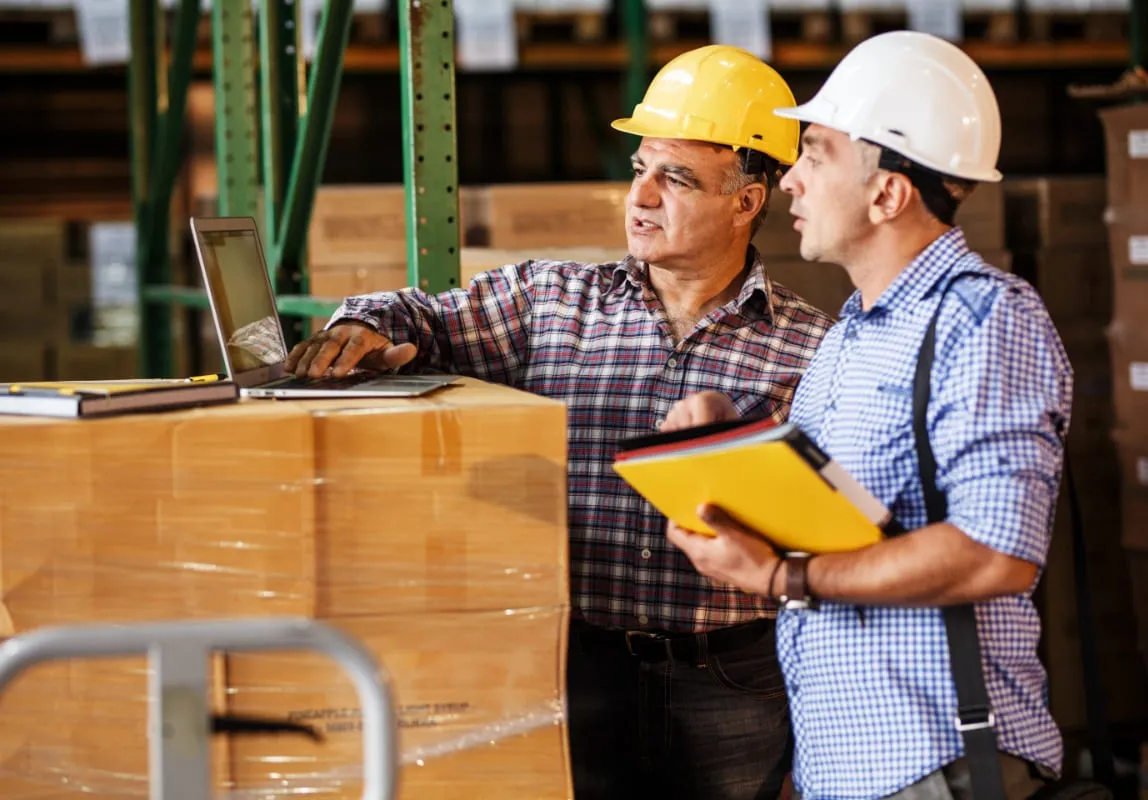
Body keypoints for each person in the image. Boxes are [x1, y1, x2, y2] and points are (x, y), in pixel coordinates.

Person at [283, 45, 833, 800]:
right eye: (640, 169)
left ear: (747, 200)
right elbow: (415, 315)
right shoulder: (551, 301)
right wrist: (363, 327)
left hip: (732, 676)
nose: (641, 198)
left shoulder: (815, 347)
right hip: (575, 666)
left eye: (675, 178)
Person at [662, 31, 1072, 800]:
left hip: (937, 766)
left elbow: (995, 554)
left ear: (889, 193)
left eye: (815, 154)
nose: (790, 181)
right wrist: (728, 445)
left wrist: (783, 576)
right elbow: (844, 519)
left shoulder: (983, 319)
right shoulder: (850, 334)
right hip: (845, 770)